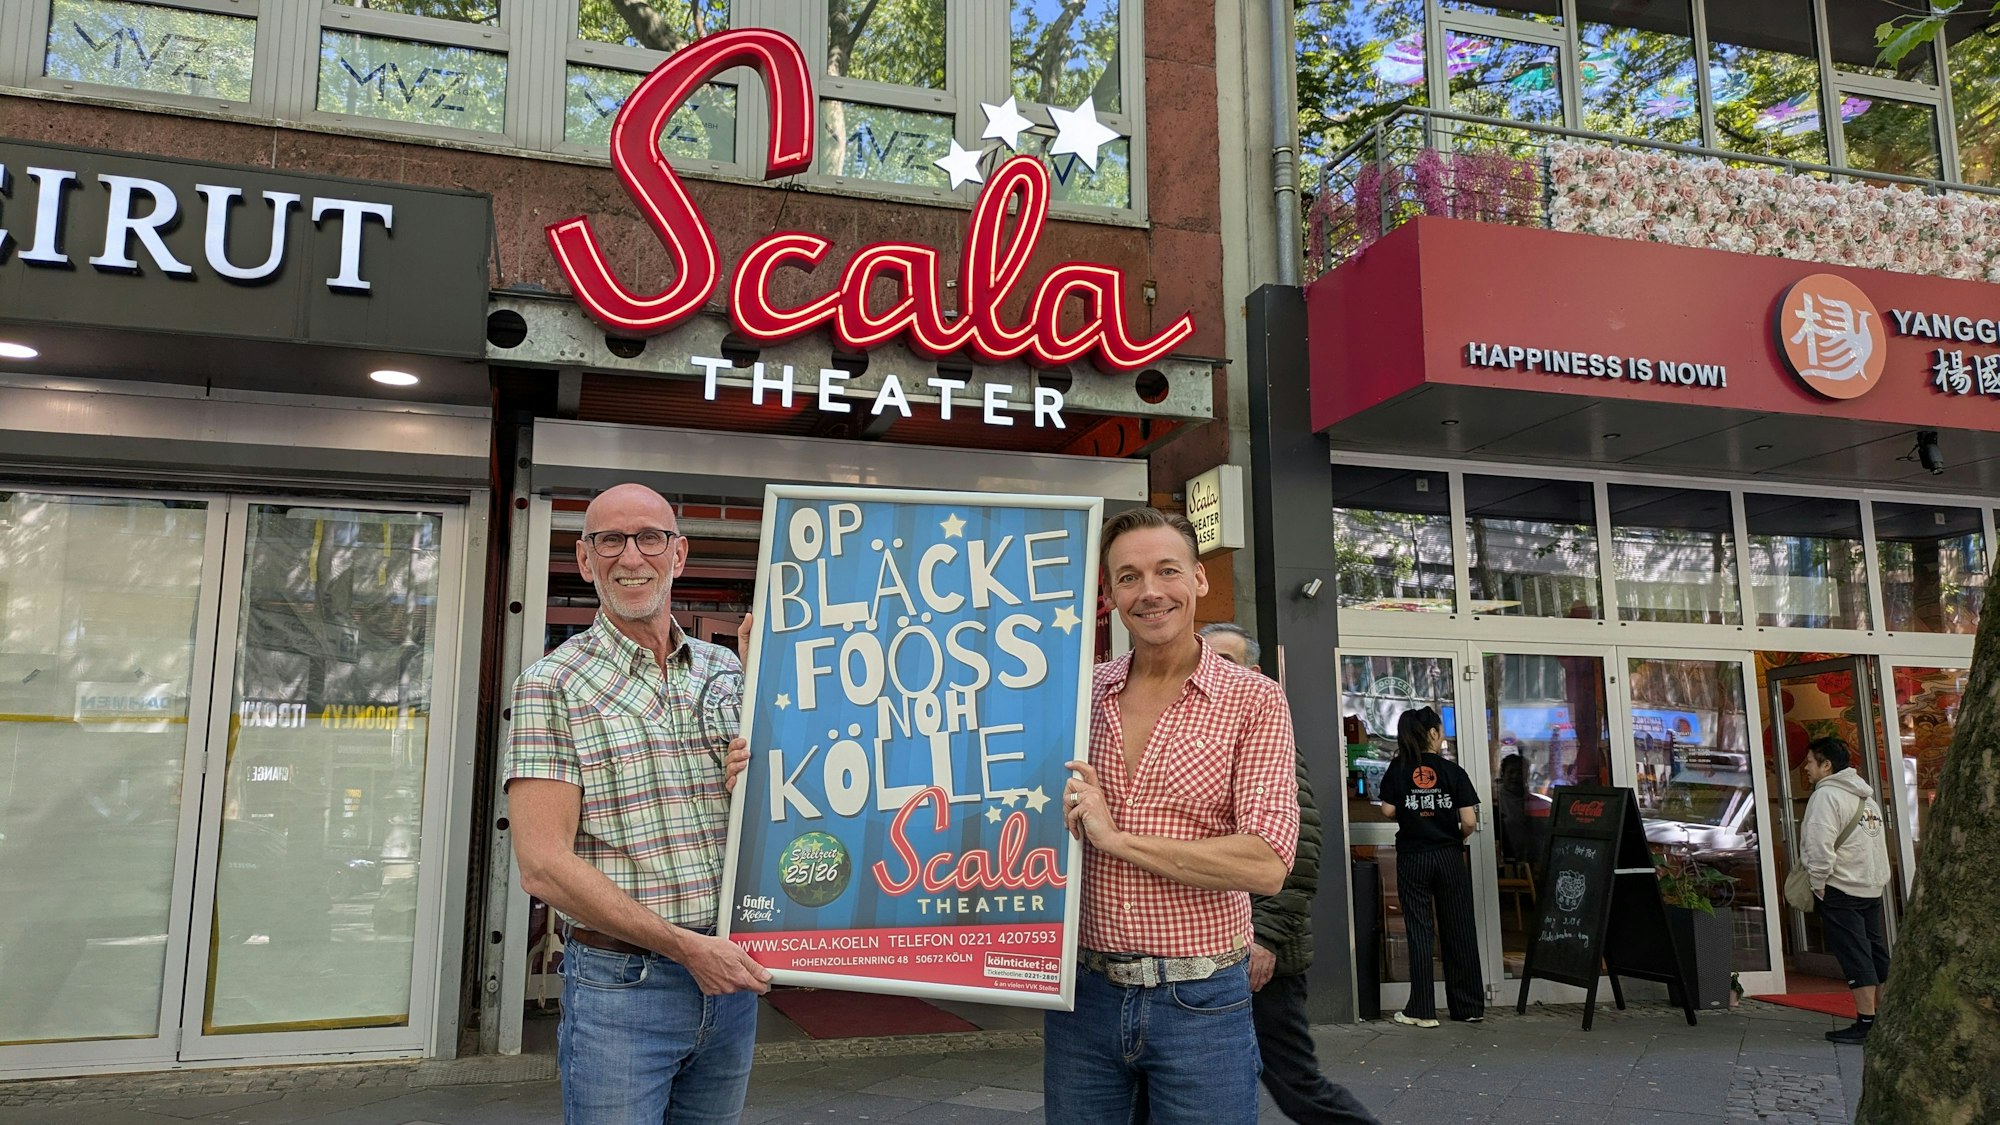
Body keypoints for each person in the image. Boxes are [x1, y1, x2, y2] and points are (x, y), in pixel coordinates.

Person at [505, 483, 771, 1125]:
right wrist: (687, 949)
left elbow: (773, 809)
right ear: (584, 557)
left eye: (650, 538)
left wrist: (777, 688)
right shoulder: (552, 686)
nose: (632, 557)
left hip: (732, 979)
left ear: (678, 554)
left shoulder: (728, 670)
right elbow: (541, 865)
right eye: (611, 540)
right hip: (622, 992)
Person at [1047, 509, 1301, 1125]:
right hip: (1083, 997)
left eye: (1167, 570)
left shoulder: (1253, 699)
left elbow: (1267, 863)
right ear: (1109, 596)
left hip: (1202, 1004)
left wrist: (1117, 838)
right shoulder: (1076, 695)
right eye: (1129, 577)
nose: (1150, 591)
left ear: (1199, 579)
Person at [1203, 623, 1380, 1125]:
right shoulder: (1202, 739)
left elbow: (1297, 854)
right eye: (1204, 660)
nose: (1213, 671)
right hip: (1213, 950)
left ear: (1255, 675)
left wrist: (1264, 937)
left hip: (1262, 955)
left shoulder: (1267, 741)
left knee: (1295, 1082)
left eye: (1227, 662)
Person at [1376, 708, 1483, 1027]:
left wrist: (1412, 818)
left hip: (1414, 856)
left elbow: (1387, 810)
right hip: (1449, 856)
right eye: (1441, 731)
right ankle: (1469, 1006)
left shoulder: (1398, 768)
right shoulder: (1453, 771)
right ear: (1433, 734)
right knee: (1459, 927)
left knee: (1420, 931)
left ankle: (1422, 1010)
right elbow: (1469, 821)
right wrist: (1453, 833)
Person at [1799, 736, 1892, 1045]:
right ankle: (1885, 1017)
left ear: (1827, 765)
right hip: (1870, 885)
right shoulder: (1866, 797)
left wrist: (1819, 883)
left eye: (1811, 762)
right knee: (1875, 950)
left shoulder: (1826, 797)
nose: (1806, 768)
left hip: (1841, 886)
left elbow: (1819, 844)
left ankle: (1866, 1022)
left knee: (1855, 954)